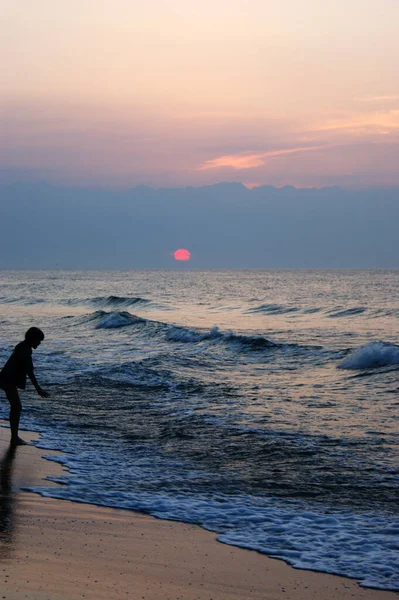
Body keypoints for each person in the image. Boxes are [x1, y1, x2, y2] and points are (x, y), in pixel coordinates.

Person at [0, 327, 50, 446]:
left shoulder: (23, 347)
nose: (39, 343)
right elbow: (30, 371)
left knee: (16, 407)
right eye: (39, 340)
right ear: (33, 339)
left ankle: (14, 437)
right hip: (8, 380)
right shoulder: (25, 351)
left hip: (6, 378)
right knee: (16, 407)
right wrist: (38, 388)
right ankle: (14, 438)